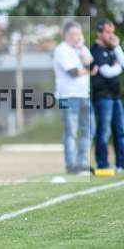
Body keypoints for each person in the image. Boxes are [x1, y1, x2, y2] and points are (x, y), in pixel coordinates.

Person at [53, 21, 96, 174]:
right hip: (66, 96)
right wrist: (87, 69)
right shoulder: (61, 50)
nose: (78, 37)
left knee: (90, 129)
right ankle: (71, 165)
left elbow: (94, 68)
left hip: (84, 95)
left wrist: (83, 52)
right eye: (74, 34)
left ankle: (81, 162)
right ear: (66, 35)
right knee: (70, 131)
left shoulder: (82, 49)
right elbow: (73, 72)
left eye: (79, 34)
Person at [90, 19, 124, 172]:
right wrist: (118, 66)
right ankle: (103, 163)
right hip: (103, 97)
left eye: (112, 32)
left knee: (120, 130)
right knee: (104, 131)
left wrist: (117, 47)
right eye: (108, 32)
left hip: (116, 96)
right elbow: (107, 72)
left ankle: (121, 164)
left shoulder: (112, 49)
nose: (111, 35)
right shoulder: (95, 50)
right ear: (99, 33)